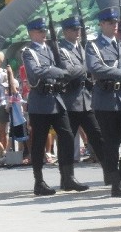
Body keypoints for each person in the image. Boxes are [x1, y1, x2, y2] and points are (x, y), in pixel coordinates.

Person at [21, 17, 88, 196]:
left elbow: (61, 67)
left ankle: (67, 177)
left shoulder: (51, 50)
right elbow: (36, 72)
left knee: (67, 136)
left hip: (56, 99)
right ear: (31, 33)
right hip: (40, 101)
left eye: (45, 31)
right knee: (39, 143)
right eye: (40, 31)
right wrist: (60, 72)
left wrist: (63, 72)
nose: (44, 35)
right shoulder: (28, 52)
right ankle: (39, 181)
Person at [87, 7, 121, 198]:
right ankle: (115, 184)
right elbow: (95, 68)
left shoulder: (120, 44)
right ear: (101, 24)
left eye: (116, 22)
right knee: (111, 144)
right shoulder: (93, 46)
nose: (114, 25)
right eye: (110, 22)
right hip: (105, 99)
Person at [56, 16, 110, 183]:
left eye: (79, 29)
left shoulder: (85, 48)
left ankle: (110, 173)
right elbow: (68, 71)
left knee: (98, 137)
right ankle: (67, 178)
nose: (77, 32)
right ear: (65, 31)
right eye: (73, 29)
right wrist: (88, 66)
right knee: (67, 142)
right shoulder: (60, 49)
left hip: (87, 100)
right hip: (70, 101)